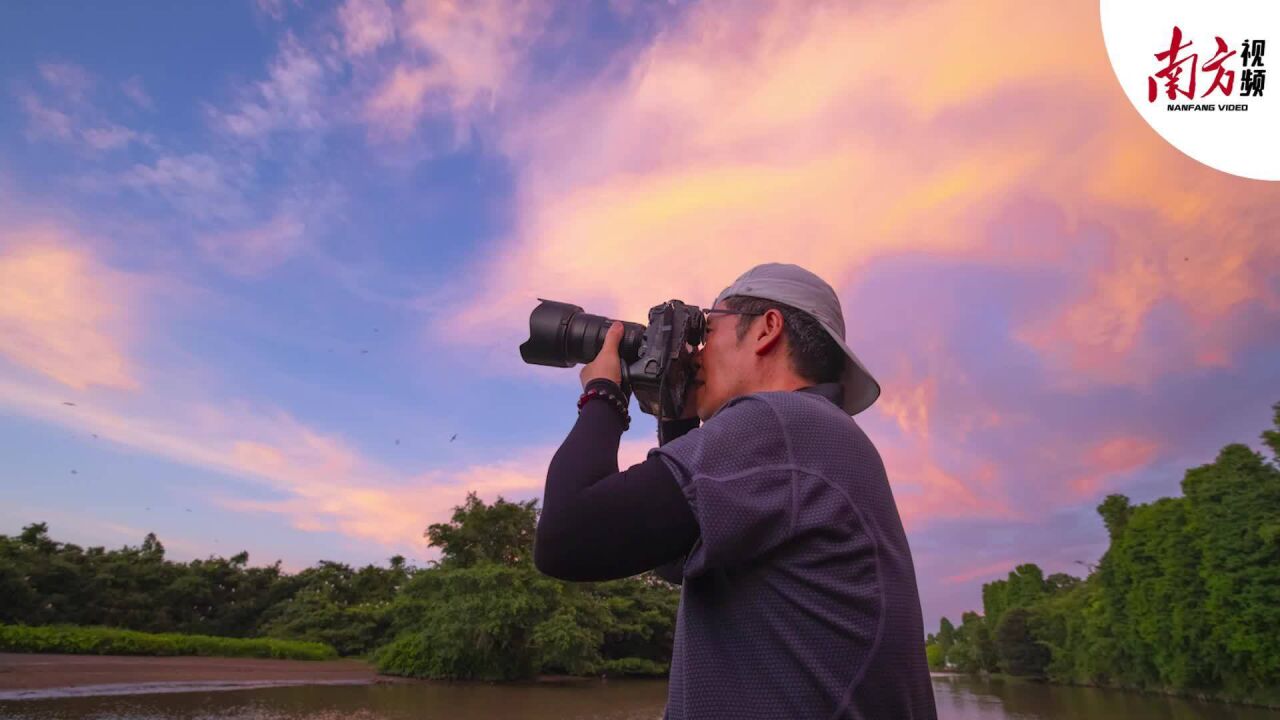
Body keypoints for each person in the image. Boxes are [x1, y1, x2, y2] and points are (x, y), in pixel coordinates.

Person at [534, 262, 937, 719]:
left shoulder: (782, 422)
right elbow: (674, 559)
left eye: (707, 328)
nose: (697, 351)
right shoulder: (816, 439)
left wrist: (604, 393)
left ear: (767, 329)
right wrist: (675, 410)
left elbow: (567, 538)